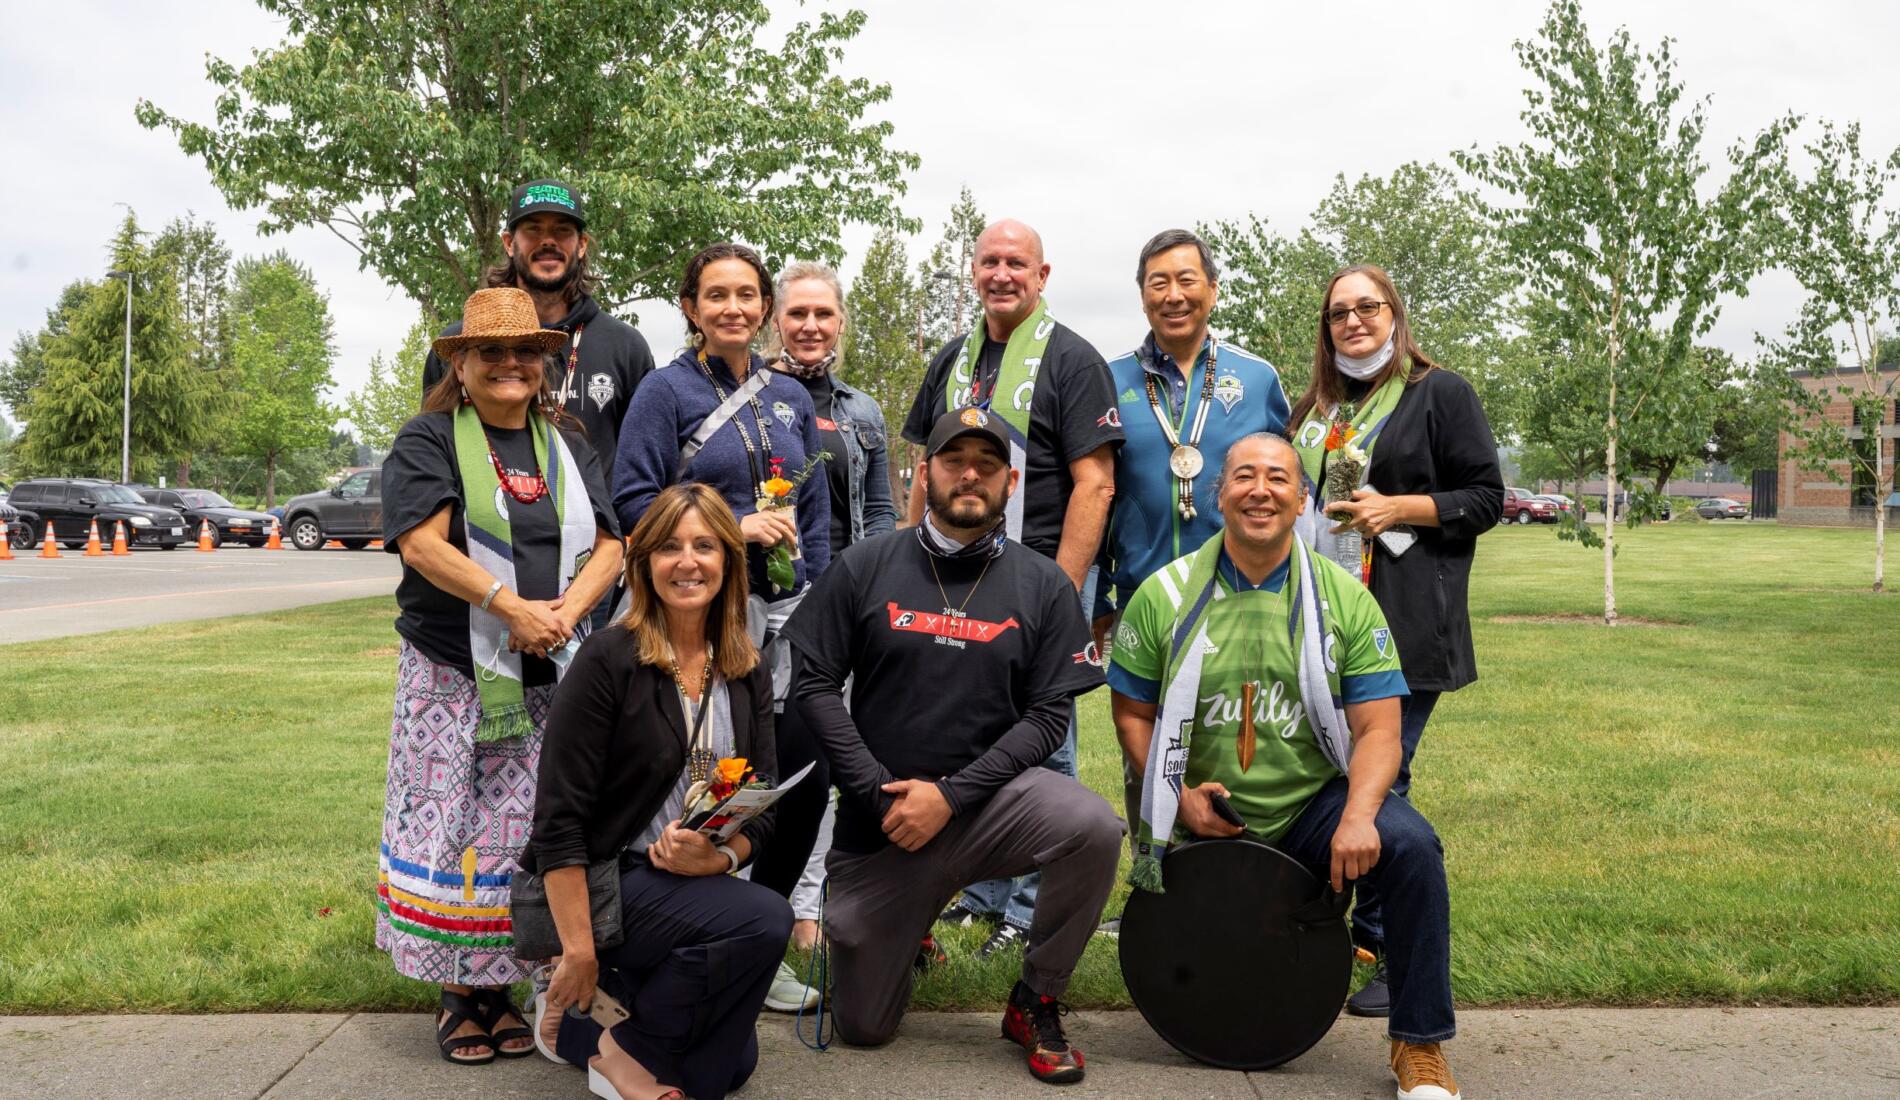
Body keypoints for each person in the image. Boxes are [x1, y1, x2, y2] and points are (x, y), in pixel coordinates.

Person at [1109, 433, 1461, 1100]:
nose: (1260, 489)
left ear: (1303, 500)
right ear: (1219, 496)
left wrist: (1358, 816)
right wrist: (1177, 793)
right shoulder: (1164, 594)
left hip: (1309, 806)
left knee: (1411, 847)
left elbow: (1380, 730)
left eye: (1278, 477)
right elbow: (1133, 714)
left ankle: (1418, 1043)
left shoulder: (1344, 598)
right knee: (1213, 976)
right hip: (1207, 811)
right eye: (1244, 476)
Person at [785, 407, 1122, 1084]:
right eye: (953, 461)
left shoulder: (1043, 583)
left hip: (988, 809)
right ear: (925, 472)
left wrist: (953, 795)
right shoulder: (867, 564)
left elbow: (1049, 716)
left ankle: (1037, 997)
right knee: (866, 1030)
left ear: (1010, 480)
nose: (970, 475)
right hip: (884, 826)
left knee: (1093, 826)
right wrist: (874, 790)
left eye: (988, 465)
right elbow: (814, 685)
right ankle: (909, 935)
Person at [375, 286, 624, 1066]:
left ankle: (507, 985)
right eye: (493, 352)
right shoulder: (429, 441)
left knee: (526, 833)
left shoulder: (567, 446)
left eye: (526, 352)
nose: (511, 364)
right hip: (453, 677)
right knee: (454, 831)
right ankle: (459, 994)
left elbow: (614, 543)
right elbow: (420, 545)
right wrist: (508, 605)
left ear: (545, 363)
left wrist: (560, 615)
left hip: (552, 673)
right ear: (465, 364)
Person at [524, 483, 789, 1100]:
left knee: (729, 1069)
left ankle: (584, 1033)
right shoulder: (610, 657)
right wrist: (578, 950)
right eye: (669, 547)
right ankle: (623, 1047)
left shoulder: (745, 665)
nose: (688, 562)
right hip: (613, 883)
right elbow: (557, 821)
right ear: (644, 564)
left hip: (694, 885)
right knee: (765, 919)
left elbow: (762, 797)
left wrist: (722, 856)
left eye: (704, 545)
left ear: (729, 558)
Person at [902, 218, 1121, 956]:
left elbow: (1096, 483)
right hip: (956, 579)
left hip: (1042, 579)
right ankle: (987, 890)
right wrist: (909, 563)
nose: (1002, 274)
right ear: (974, 271)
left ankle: (1031, 907)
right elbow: (924, 472)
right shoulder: (953, 358)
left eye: (1016, 263)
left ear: (1043, 274)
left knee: (1045, 741)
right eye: (990, 261)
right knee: (971, 732)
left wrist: (1061, 593)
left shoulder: (1072, 358)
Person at [1287, 265, 1501, 1017]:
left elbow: (1486, 498)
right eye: (1338, 313)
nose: (1352, 321)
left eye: (1366, 307)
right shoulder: (1313, 408)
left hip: (1405, 623)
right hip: (1322, 623)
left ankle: (1382, 943)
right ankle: (1340, 931)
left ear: (1394, 314)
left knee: (1383, 779)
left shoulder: (1438, 393)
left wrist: (1398, 508)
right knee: (1336, 775)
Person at [1091, 229, 1290, 933]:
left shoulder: (1256, 377)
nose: (1172, 295)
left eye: (1186, 280)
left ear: (1211, 287)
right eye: (1157, 283)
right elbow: (1097, 491)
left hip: (1239, 595)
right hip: (1145, 597)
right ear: (1142, 293)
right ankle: (1152, 893)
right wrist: (1103, 595)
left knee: (1233, 736)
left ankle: (1239, 880)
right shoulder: (1106, 378)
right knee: (1142, 741)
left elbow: (1283, 482)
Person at [749, 261, 898, 1012]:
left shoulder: (863, 412)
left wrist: (877, 603)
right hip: (763, 605)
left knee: (828, 759)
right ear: (777, 319)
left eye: (824, 314)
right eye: (797, 312)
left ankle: (807, 907)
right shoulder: (750, 397)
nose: (810, 326)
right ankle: (751, 898)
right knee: (760, 757)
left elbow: (880, 518)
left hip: (843, 610)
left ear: (841, 322)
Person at [420, 179, 657, 632]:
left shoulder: (624, 346)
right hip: (482, 566)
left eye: (563, 231)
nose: (548, 241)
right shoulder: (458, 346)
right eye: (533, 230)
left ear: (582, 245)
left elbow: (640, 465)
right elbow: (433, 454)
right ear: (510, 243)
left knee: (582, 700)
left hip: (591, 575)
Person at [611, 243, 832, 614]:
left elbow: (813, 511)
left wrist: (820, 600)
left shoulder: (792, 394)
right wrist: (730, 527)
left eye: (746, 295)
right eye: (717, 296)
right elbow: (633, 502)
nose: (733, 308)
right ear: (692, 309)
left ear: (764, 309)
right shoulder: (664, 390)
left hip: (788, 605)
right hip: (697, 602)